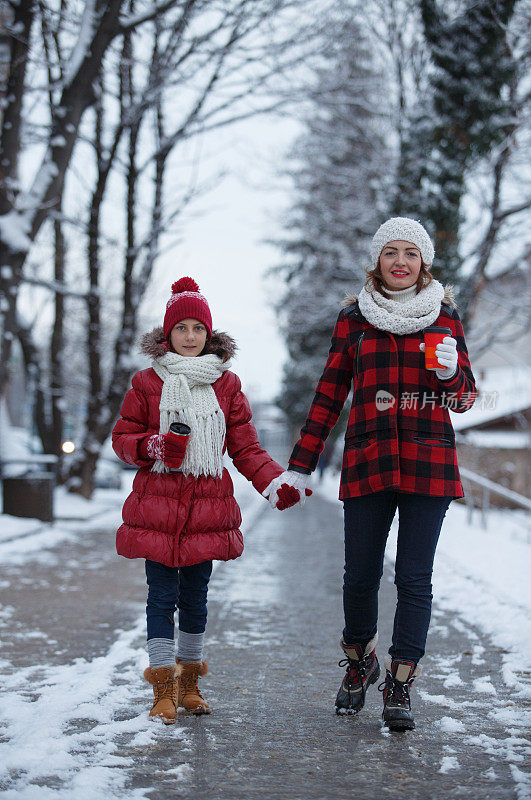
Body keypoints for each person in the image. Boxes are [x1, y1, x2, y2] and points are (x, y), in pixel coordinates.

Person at [264, 218, 477, 731]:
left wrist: (451, 374)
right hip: (367, 459)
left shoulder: (444, 318)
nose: (400, 262)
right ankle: (361, 662)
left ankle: (400, 681)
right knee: (359, 575)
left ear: (424, 262)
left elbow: (465, 398)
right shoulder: (353, 318)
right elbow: (329, 395)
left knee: (414, 578)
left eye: (410, 253)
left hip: (429, 464)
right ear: (377, 260)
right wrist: (299, 465)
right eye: (390, 252)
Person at [112, 277, 307, 724]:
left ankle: (189, 685)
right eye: (181, 328)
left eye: (197, 328)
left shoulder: (227, 384)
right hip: (158, 505)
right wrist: (154, 447)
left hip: (206, 507)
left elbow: (245, 447)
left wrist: (274, 482)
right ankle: (162, 689)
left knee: (196, 597)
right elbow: (122, 439)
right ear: (167, 335)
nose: (190, 336)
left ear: (209, 334)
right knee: (161, 597)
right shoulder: (146, 382)